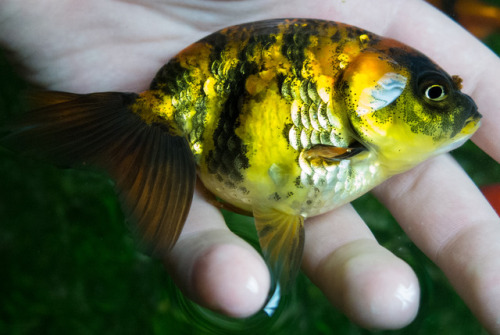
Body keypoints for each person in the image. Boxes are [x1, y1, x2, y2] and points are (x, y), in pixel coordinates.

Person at [1, 0, 499, 332]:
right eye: (434, 94)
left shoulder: (360, 137)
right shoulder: (351, 133)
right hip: (208, 107)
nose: (449, 105)